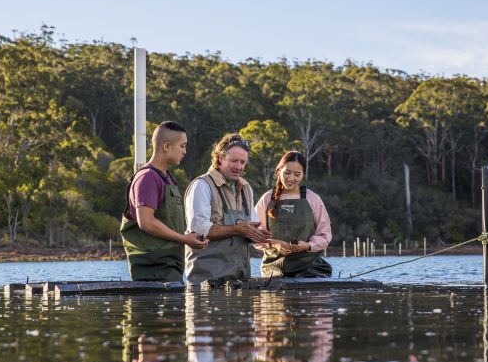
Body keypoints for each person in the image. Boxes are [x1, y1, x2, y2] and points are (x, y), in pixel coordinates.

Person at [121, 121, 207, 282]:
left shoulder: (167, 178)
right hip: (152, 270)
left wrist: (190, 237)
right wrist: (184, 239)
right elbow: (146, 222)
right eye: (182, 146)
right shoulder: (147, 178)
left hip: (169, 266)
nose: (185, 151)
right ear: (167, 146)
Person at [184, 133, 271, 285]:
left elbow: (251, 225)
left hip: (240, 280)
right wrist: (238, 229)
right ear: (220, 159)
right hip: (206, 283)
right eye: (234, 161)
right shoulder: (201, 185)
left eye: (243, 162)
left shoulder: (246, 188)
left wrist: (258, 235)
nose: (239, 166)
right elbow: (199, 229)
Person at [255, 151, 332, 278]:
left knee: (305, 278)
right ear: (279, 170)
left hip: (309, 265)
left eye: (297, 174)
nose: (291, 178)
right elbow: (254, 235)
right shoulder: (267, 199)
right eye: (287, 172)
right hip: (274, 266)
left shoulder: (313, 199)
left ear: (303, 175)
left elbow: (325, 235)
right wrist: (274, 243)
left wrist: (307, 245)